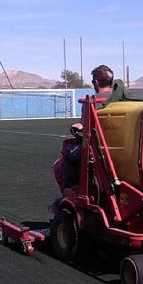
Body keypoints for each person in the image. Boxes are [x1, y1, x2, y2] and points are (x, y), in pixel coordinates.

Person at [52, 65, 115, 196]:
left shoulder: (92, 102)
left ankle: (70, 191)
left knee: (69, 154)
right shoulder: (122, 99)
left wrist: (79, 127)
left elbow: (86, 128)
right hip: (120, 146)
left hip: (100, 148)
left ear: (96, 82)